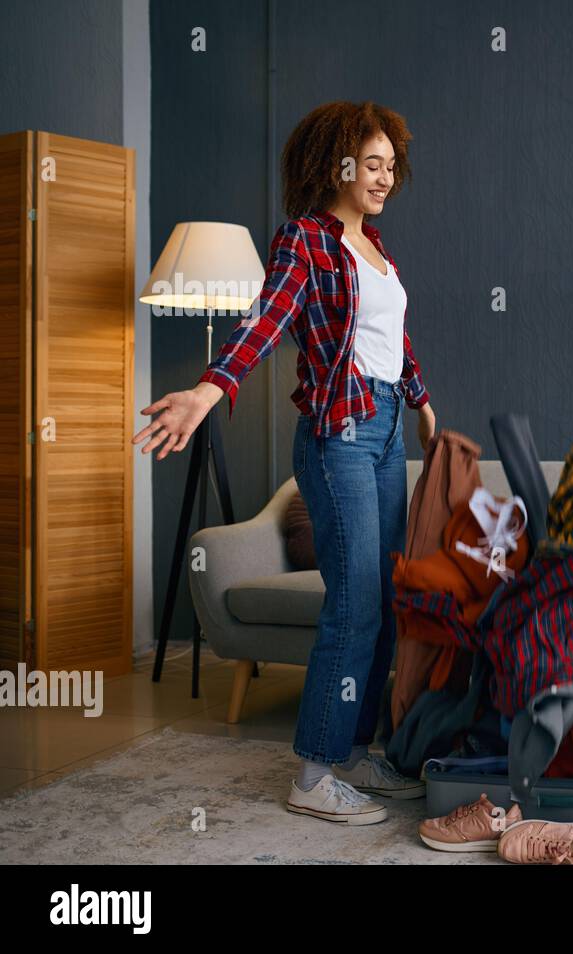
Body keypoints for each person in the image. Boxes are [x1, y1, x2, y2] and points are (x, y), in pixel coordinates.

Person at [132, 101, 436, 826]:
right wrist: (209, 391)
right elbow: (266, 319)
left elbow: (393, 339)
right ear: (336, 164)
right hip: (339, 438)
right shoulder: (306, 240)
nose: (384, 176)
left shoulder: (379, 250)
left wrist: (422, 403)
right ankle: (312, 773)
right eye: (371, 163)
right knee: (355, 601)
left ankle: (355, 755)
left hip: (389, 431)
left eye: (391, 165)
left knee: (387, 598)